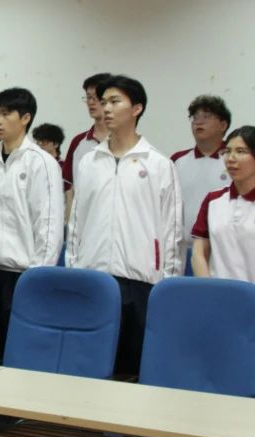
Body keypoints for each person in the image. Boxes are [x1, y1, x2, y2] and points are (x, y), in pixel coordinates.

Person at [67, 75, 181, 377]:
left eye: (115, 101)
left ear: (137, 108)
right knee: (89, 368)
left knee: (131, 371)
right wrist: (76, 272)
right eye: (103, 101)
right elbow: (76, 222)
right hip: (93, 279)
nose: (106, 108)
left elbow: (171, 231)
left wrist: (166, 286)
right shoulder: (89, 161)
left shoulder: (158, 164)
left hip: (140, 282)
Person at [0, 87, 64, 362]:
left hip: (22, 275)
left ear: (26, 118)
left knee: (16, 354)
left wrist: (37, 279)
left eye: (6, 114)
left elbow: (49, 226)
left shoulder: (42, 163)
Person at [191, 126, 255, 391]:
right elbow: (199, 253)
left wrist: (250, 305)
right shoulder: (213, 200)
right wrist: (209, 294)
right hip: (216, 311)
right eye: (228, 152)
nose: (231, 158)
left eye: (241, 151)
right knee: (213, 387)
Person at [172, 95, 231, 258]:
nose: (198, 122)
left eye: (206, 116)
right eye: (195, 117)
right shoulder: (177, 160)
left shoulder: (234, 160)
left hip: (224, 250)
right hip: (182, 249)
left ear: (223, 125)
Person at [62, 72, 111, 216]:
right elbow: (69, 188)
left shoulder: (123, 142)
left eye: (96, 97)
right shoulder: (78, 142)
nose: (91, 102)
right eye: (88, 97)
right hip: (83, 222)